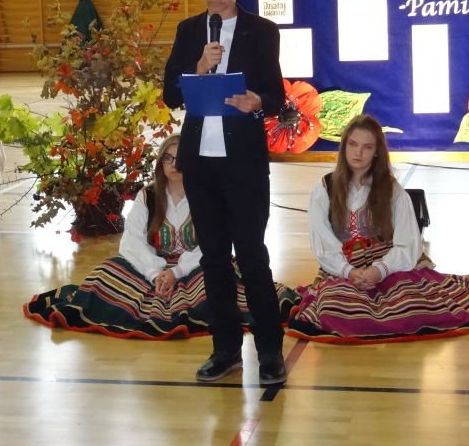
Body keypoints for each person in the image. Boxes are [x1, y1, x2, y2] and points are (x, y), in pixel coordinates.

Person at [23, 134, 298, 339]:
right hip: (152, 267)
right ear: (160, 164)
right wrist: (156, 273)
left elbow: (214, 244)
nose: (174, 164)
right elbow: (132, 241)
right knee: (105, 273)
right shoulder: (149, 195)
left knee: (216, 284)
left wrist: (176, 272)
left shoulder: (208, 195)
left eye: (181, 157)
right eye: (168, 158)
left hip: (195, 268)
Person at [162, 0, 289, 383]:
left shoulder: (262, 31)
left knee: (251, 255)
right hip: (201, 164)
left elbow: (276, 96)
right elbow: (170, 95)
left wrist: (258, 102)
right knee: (213, 258)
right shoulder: (188, 30)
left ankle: (270, 351)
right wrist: (198, 67)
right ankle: (225, 349)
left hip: (244, 164)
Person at [287, 114, 469, 343]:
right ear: (344, 147)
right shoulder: (324, 189)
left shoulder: (392, 190)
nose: (358, 153)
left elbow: (408, 243)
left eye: (367, 147)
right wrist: (348, 271)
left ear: (377, 152)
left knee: (416, 305)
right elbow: (323, 244)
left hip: (388, 266)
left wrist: (380, 270)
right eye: (353, 144)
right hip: (342, 270)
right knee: (333, 308)